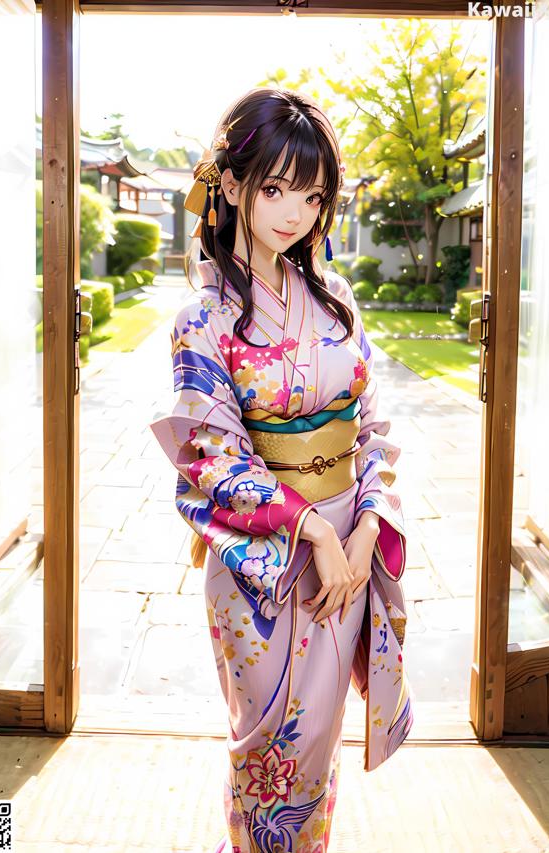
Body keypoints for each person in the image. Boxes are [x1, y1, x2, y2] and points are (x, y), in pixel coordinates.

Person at [149, 87, 412, 853]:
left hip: (346, 551)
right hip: (263, 558)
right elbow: (215, 455)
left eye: (312, 194)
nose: (294, 212)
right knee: (267, 750)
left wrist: (363, 527)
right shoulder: (201, 320)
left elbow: (370, 426)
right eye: (274, 188)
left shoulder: (335, 299)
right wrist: (312, 531)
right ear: (231, 186)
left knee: (320, 746)